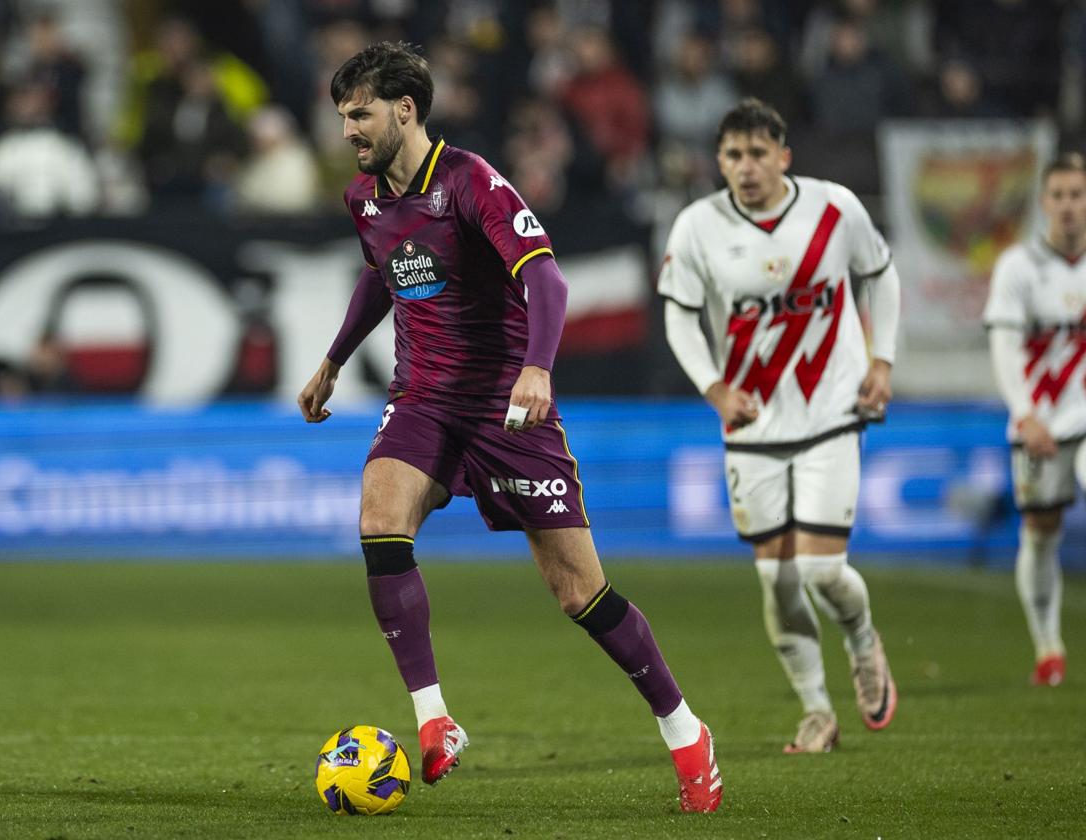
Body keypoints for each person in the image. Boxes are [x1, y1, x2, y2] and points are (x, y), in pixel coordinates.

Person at [297, 42, 722, 813]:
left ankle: (686, 730)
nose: (349, 130)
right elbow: (379, 275)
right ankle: (435, 721)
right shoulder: (364, 198)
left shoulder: (470, 181)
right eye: (342, 117)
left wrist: (538, 367)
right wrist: (332, 359)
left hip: (505, 404)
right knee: (379, 520)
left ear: (405, 109)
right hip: (422, 397)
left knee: (579, 592)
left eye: (360, 114)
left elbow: (546, 278)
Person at [659, 98, 901, 754]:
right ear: (719, 161)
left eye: (758, 154)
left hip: (831, 411)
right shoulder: (697, 227)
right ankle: (817, 711)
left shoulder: (834, 208)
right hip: (752, 423)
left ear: (784, 156)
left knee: (823, 572)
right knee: (776, 579)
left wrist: (882, 359)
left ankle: (862, 640)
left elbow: (880, 275)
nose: (746, 167)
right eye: (734, 155)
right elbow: (679, 314)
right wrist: (714, 387)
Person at [983, 152, 1086, 688]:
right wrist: (1025, 415)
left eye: (1078, 194)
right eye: (1060, 195)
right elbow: (1004, 346)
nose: (1069, 206)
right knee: (1041, 532)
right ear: (1045, 202)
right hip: (1043, 423)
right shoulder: (1019, 267)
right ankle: (1049, 648)